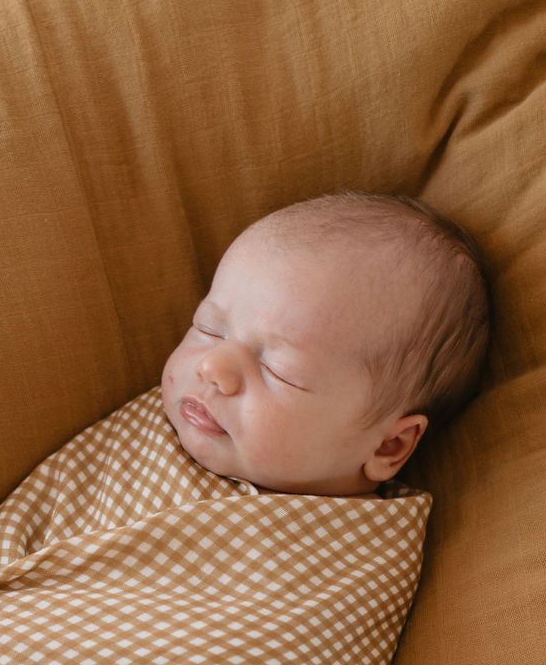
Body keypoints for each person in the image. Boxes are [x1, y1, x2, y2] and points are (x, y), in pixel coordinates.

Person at [161, 189, 491, 498]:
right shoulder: (162, 419)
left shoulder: (354, 554)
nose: (211, 366)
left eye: (279, 371)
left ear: (387, 447)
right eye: (208, 328)